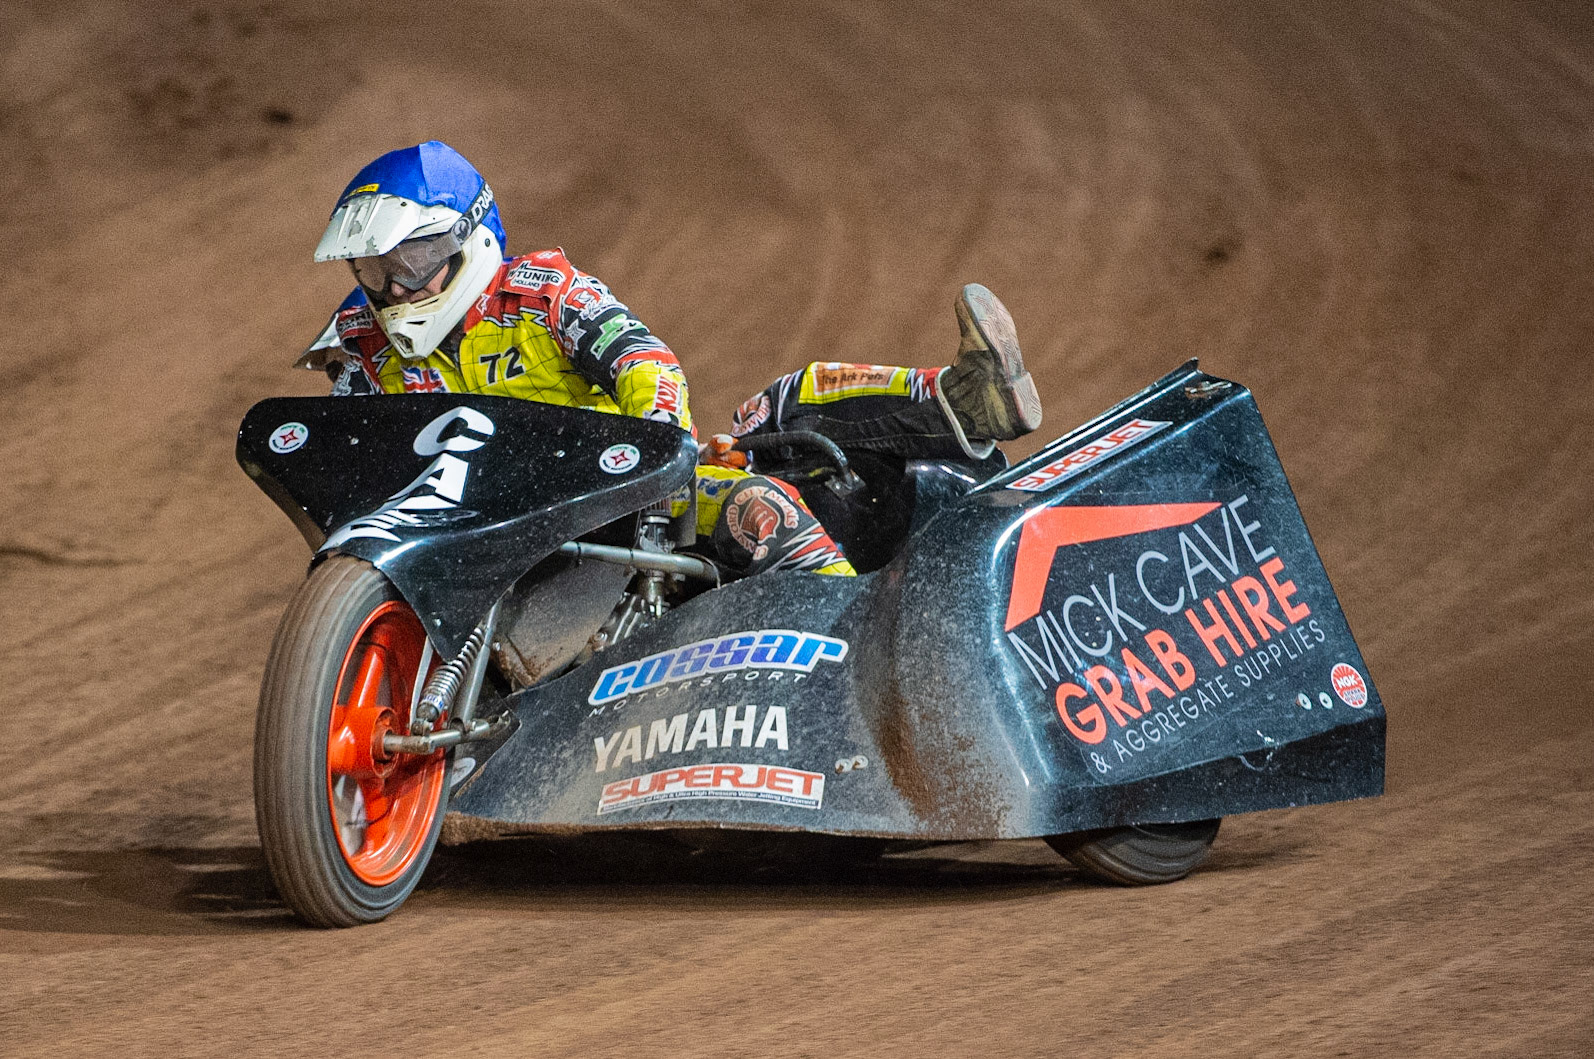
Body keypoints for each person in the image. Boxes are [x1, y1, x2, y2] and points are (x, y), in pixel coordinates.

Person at [300, 141, 1040, 579]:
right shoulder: (359, 344)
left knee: (769, 455)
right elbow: (343, 460)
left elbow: (645, 359)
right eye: (374, 268)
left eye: (415, 259)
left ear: (468, 238)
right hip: (470, 546)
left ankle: (959, 403)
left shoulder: (542, 293)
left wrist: (656, 461)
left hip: (615, 510)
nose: (395, 287)